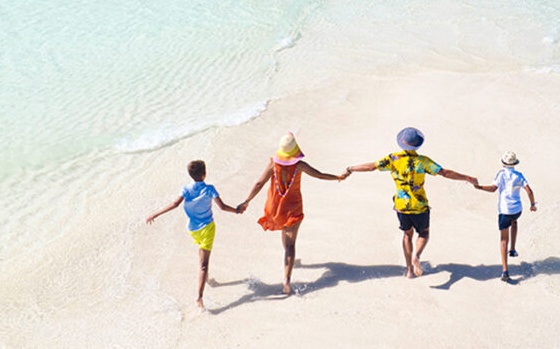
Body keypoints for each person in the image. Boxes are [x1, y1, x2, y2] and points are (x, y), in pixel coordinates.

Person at [346, 127, 477, 279]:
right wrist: (468, 178)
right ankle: (417, 256)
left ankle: (409, 271)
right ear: (418, 145)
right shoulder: (423, 161)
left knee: (407, 235)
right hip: (420, 205)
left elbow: (371, 167)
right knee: (424, 233)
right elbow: (445, 173)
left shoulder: (393, 158)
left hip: (401, 205)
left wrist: (351, 169)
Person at [238, 132, 349, 295]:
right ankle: (286, 280)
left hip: (275, 208)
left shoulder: (273, 164)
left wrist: (246, 201)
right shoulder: (299, 166)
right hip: (293, 208)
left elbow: (259, 183)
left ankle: (288, 262)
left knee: (284, 235)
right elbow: (319, 175)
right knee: (291, 245)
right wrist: (338, 177)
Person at [146, 159, 242, 309]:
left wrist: (156, 214)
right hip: (207, 229)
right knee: (204, 264)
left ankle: (207, 279)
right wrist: (236, 210)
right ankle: (199, 296)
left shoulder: (186, 189)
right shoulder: (210, 189)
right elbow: (222, 207)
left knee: (202, 254)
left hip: (192, 229)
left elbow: (174, 204)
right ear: (204, 174)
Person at [473, 151, 537, 282]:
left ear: (503, 163)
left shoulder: (501, 174)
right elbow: (529, 191)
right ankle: (513, 249)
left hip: (504, 211)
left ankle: (505, 270)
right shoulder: (519, 175)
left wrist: (479, 187)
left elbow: (492, 188)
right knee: (514, 222)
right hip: (517, 209)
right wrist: (532, 205)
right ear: (514, 163)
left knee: (503, 240)